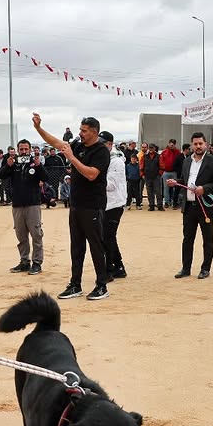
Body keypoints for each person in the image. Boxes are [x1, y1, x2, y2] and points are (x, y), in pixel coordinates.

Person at [33, 114, 111, 301]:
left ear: (94, 132)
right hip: (76, 205)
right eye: (80, 129)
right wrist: (38, 128)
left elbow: (92, 174)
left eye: (84, 131)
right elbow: (56, 142)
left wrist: (72, 158)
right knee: (76, 246)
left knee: (96, 246)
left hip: (93, 205)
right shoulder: (77, 145)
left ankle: (102, 285)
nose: (80, 133)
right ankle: (75, 284)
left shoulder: (101, 151)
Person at [173, 132, 213, 280]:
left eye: (200, 143)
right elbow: (184, 179)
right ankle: (186, 268)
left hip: (205, 206)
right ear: (192, 145)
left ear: (206, 144)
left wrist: (205, 189)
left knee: (207, 238)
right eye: (195, 144)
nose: (198, 146)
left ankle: (205, 268)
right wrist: (175, 182)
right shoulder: (187, 161)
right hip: (188, 206)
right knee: (187, 238)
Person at [4, 140, 46, 275]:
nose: (23, 152)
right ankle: (24, 262)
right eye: (21, 149)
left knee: (36, 234)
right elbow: (2, 175)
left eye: (26, 149)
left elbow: (45, 177)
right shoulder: (13, 163)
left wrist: (39, 166)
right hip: (17, 205)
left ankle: (37, 263)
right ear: (17, 150)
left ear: (30, 150)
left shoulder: (35, 163)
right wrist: (8, 166)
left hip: (33, 204)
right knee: (21, 235)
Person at [100, 131, 128, 280]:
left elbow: (111, 185)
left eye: (102, 143)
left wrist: (94, 176)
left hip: (115, 203)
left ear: (110, 144)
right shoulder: (104, 158)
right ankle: (118, 266)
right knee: (107, 237)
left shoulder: (116, 161)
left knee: (108, 237)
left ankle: (110, 268)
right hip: (105, 203)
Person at [143, 145, 162, 210]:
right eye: (150, 148)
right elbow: (141, 165)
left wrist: (159, 174)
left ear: (154, 149)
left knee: (158, 192)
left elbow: (162, 166)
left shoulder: (159, 156)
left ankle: (160, 206)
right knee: (149, 192)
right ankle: (151, 206)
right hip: (147, 177)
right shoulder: (145, 156)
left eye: (152, 148)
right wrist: (142, 174)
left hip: (156, 177)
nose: (150, 149)